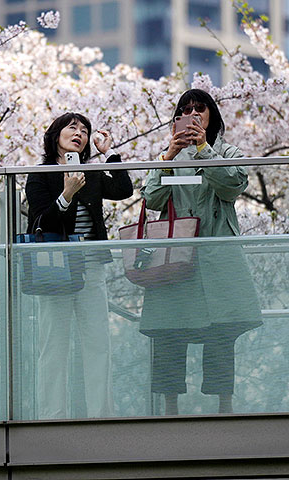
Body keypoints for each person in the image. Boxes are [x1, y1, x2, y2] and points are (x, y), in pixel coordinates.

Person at [140, 89, 262, 415]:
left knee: (221, 331)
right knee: (168, 331)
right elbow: (150, 199)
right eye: (186, 109)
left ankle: (225, 408)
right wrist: (167, 157)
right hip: (174, 260)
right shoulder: (168, 157)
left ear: (212, 117)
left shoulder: (227, 151)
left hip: (216, 260)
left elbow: (233, 185)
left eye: (200, 109)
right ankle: (169, 411)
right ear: (176, 118)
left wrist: (204, 151)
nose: (193, 114)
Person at [25, 112, 133, 419]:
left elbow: (124, 190)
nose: (80, 132)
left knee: (98, 341)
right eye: (72, 127)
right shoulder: (40, 173)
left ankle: (101, 415)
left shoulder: (90, 172)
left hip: (91, 264)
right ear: (55, 134)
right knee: (54, 344)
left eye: (84, 130)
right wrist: (66, 194)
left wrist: (109, 154)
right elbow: (41, 220)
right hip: (55, 266)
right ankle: (52, 417)